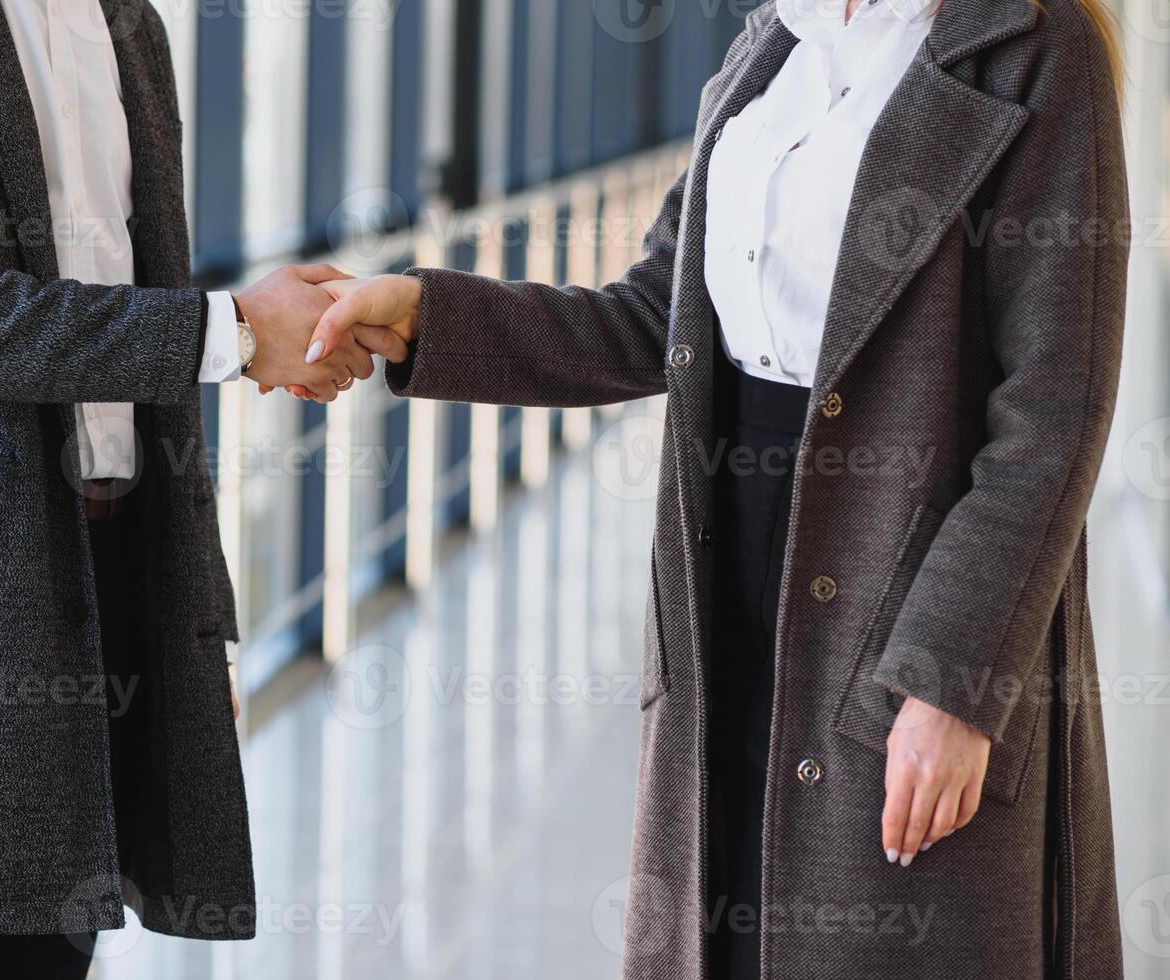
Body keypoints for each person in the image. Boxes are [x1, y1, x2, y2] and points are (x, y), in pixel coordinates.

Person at [303, 0, 1129, 975]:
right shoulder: (774, 41)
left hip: (905, 592)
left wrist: (954, 681)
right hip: (722, 577)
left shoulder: (1032, 48)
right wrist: (427, 314)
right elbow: (655, 311)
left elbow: (1050, 412)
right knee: (724, 932)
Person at [0, 1, 398, 977]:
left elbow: (129, 291)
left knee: (48, 951)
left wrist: (183, 607)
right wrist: (236, 333)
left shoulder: (123, 19)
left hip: (100, 579)